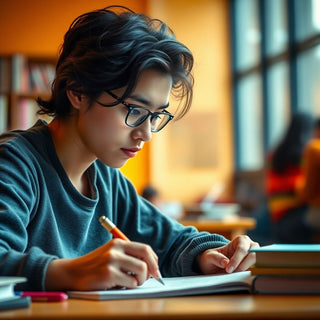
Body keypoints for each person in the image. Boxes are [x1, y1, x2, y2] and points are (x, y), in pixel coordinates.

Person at [0, 6, 258, 292]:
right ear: (77, 91)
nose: (146, 134)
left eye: (156, 115)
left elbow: (172, 241)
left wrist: (209, 255)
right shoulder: (14, 163)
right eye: (135, 110)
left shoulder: (106, 179)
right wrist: (71, 272)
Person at [265, 111, 315, 243]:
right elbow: (304, 189)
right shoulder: (306, 153)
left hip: (276, 212)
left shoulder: (275, 152)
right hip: (297, 211)